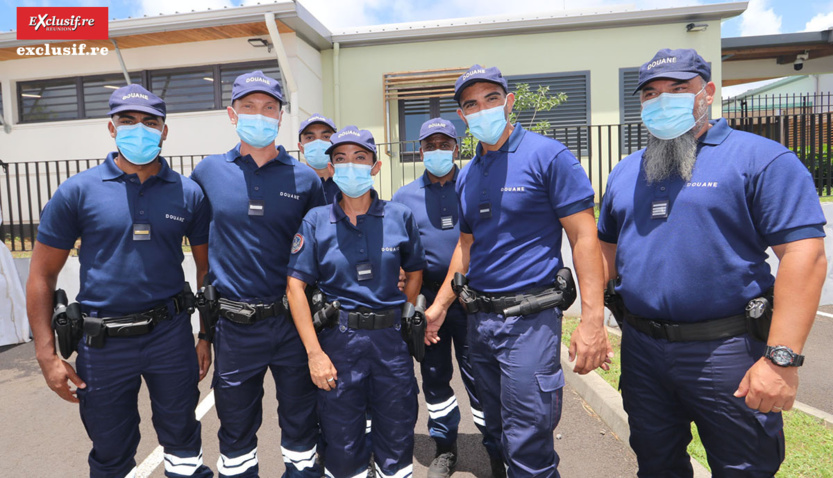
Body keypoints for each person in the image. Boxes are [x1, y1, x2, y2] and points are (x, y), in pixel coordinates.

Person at [597, 48, 827, 477]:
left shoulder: (761, 159)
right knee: (655, 462)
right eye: (651, 92)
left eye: (678, 88)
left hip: (726, 351)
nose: (662, 100)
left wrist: (781, 359)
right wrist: (597, 318)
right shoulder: (626, 171)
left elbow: (805, 254)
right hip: (644, 350)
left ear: (707, 92)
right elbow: (604, 248)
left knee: (743, 467)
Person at [423, 65, 612, 478]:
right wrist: (439, 306)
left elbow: (585, 238)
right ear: (463, 115)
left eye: (491, 98)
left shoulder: (548, 156)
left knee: (529, 444)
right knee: (499, 433)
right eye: (471, 103)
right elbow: (465, 246)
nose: (482, 108)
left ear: (508, 103)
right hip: (481, 323)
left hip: (530, 322)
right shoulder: (468, 174)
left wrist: (593, 320)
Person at [26, 84, 213, 478]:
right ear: (111, 128)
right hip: (102, 343)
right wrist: (47, 356)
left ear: (165, 131)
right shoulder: (77, 191)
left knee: (182, 440)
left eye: (150, 122)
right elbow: (42, 275)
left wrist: (205, 336)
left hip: (170, 337)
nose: (139, 129)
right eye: (127, 121)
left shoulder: (189, 194)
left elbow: (205, 271)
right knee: (111, 452)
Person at [190, 71, 325, 478]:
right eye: (248, 107)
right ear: (232, 114)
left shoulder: (304, 179)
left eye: (269, 107)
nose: (259, 115)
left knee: (302, 424)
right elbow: (202, 262)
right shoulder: (208, 173)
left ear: (280, 116)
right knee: (235, 430)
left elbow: (319, 256)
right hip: (233, 327)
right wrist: (204, 334)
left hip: (291, 324)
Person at [286, 126, 426, 478]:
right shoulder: (316, 220)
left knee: (396, 434)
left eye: (360, 158)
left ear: (376, 166)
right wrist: (315, 354)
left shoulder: (399, 216)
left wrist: (400, 312)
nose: (351, 166)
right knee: (342, 441)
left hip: (390, 342)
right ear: (330, 168)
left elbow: (414, 271)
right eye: (341, 159)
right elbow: (294, 288)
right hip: (338, 344)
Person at [391, 117, 497, 477]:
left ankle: (496, 448)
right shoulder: (404, 197)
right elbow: (398, 253)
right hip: (428, 302)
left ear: (456, 147)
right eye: (429, 145)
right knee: (435, 376)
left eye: (444, 143)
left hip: (471, 300)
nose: (437, 150)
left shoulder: (473, 185)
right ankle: (445, 447)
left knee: (481, 376)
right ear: (419, 150)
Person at [298, 113, 340, 204]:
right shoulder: (293, 184)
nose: (318, 142)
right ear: (301, 147)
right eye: (310, 137)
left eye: (326, 137)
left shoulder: (349, 185)